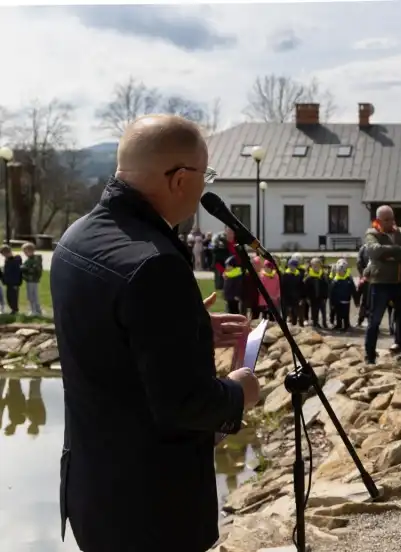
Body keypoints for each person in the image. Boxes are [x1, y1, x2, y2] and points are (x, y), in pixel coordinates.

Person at [49, 114, 260, 552]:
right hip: (149, 508)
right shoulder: (155, 263)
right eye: (205, 176)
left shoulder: (77, 235)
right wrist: (239, 392)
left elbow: (107, 336)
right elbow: (184, 403)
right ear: (180, 179)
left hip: (92, 488)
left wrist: (188, 328)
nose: (204, 189)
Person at [363, 205, 401, 364]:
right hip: (380, 283)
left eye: (392, 219)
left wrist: (388, 254)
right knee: (375, 321)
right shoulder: (372, 234)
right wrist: (399, 252)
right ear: (378, 220)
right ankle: (370, 355)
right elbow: (374, 251)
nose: (390, 222)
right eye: (386, 220)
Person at [329, 260, 357, 331]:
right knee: (338, 314)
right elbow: (331, 293)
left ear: (345, 270)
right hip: (337, 301)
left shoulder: (349, 279)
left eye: (342, 271)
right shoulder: (335, 280)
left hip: (346, 300)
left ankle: (346, 325)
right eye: (339, 271)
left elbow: (353, 290)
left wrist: (356, 301)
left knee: (346, 314)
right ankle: (339, 325)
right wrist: (332, 303)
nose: (341, 272)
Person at [21, 242, 43, 316]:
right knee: (31, 296)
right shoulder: (30, 259)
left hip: (33, 281)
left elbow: (35, 270)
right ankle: (35, 310)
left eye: (26, 252)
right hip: (29, 280)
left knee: (33, 296)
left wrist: (24, 268)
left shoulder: (35, 260)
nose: (25, 253)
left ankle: (35, 311)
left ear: (31, 251)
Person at [1, 245, 22, 314]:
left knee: (13, 297)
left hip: (14, 283)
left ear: (7, 252)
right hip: (8, 283)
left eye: (3, 254)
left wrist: (16, 283)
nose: (3, 256)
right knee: (9, 297)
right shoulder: (7, 260)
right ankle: (13, 310)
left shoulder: (15, 260)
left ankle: (15, 310)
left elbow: (17, 273)